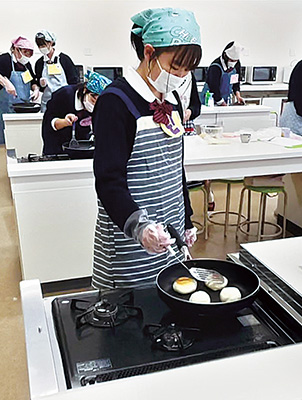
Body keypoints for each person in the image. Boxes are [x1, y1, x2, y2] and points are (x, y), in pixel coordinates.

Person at [92, 7, 201, 289]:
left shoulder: (173, 97)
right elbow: (108, 180)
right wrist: (140, 229)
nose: (181, 75)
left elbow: (175, 167)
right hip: (131, 236)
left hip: (169, 230)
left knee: (169, 301)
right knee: (132, 313)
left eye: (188, 69)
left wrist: (186, 218)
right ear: (149, 52)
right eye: (175, 67)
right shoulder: (115, 101)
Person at [42, 71, 111, 155]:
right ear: (85, 90)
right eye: (93, 100)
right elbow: (48, 123)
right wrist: (64, 122)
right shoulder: (64, 95)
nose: (94, 105)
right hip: (58, 148)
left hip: (85, 148)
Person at [0, 36, 38, 145]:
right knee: (4, 136)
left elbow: (33, 81)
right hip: (6, 106)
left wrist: (36, 89)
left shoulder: (26, 65)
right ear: (15, 49)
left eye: (29, 53)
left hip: (24, 107)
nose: (27, 56)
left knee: (21, 138)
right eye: (25, 52)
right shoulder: (5, 59)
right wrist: (6, 83)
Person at [34, 30, 79, 112]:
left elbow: (74, 81)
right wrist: (41, 85)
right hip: (47, 102)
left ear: (51, 42)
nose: (42, 47)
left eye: (43, 44)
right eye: (39, 46)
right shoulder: (39, 63)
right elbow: (38, 84)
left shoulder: (64, 59)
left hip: (65, 100)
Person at [200, 41, 245, 106]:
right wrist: (221, 102)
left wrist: (238, 96)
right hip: (210, 99)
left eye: (235, 61)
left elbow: (235, 82)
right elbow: (213, 87)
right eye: (231, 60)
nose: (233, 63)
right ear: (225, 57)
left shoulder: (236, 64)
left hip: (225, 98)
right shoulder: (215, 67)